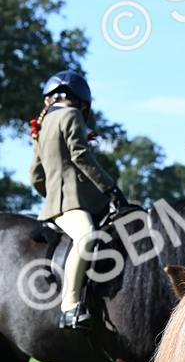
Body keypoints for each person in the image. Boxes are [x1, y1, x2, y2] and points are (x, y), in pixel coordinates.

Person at [29, 70, 120, 329]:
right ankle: (69, 307)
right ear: (81, 101)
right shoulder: (71, 115)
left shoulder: (42, 126)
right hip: (73, 203)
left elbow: (35, 175)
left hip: (54, 204)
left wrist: (51, 198)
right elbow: (81, 156)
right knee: (87, 237)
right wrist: (109, 187)